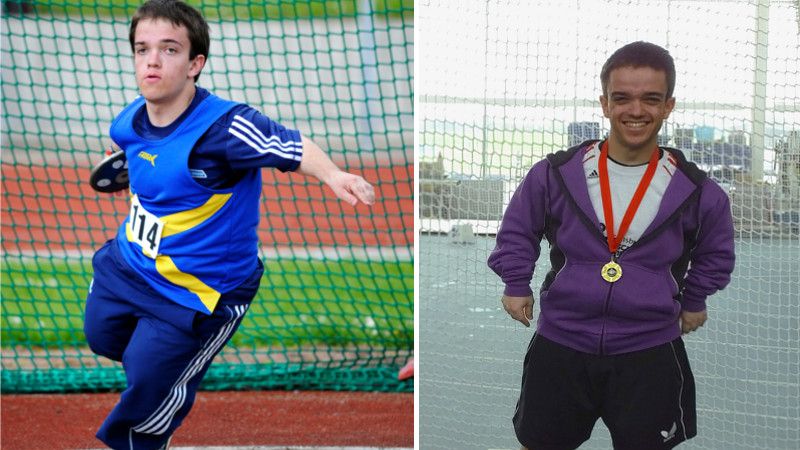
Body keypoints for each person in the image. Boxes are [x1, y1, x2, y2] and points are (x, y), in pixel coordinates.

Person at [83, 1, 375, 449]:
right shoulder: (128, 120)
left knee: (149, 383)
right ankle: (162, 360)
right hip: (128, 266)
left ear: (195, 64)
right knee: (101, 335)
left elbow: (292, 146)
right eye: (142, 49)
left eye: (169, 49)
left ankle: (148, 425)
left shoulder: (227, 127)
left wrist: (333, 174)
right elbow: (134, 154)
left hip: (199, 291)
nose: (152, 61)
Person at [488, 41, 735, 450]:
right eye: (622, 98)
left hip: (649, 348)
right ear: (604, 104)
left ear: (669, 106)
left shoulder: (697, 189)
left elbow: (716, 251)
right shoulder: (555, 173)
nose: (636, 110)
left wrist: (695, 298)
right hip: (562, 342)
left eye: (650, 99)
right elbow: (518, 229)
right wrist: (516, 282)